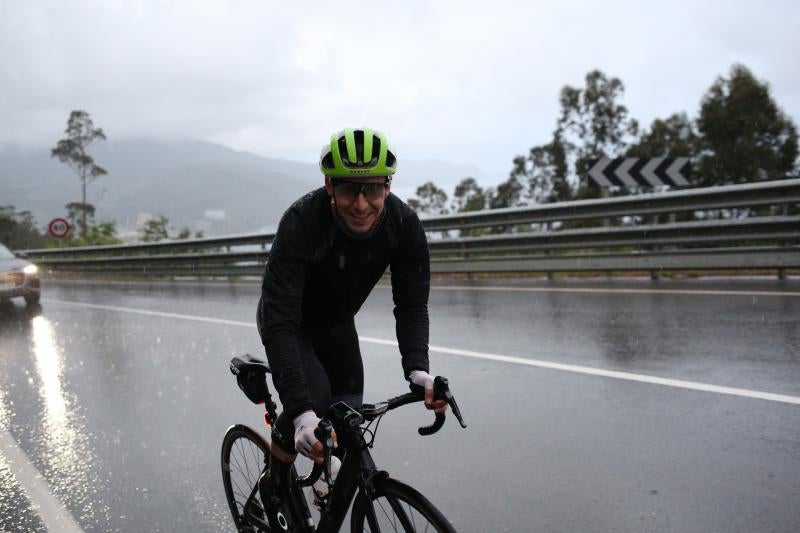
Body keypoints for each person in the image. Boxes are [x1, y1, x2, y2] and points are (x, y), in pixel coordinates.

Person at [256, 127, 446, 524]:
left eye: (372, 189)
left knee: (348, 424)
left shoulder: (403, 225)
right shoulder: (301, 222)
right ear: (329, 185)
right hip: (290, 326)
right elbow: (280, 322)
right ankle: (274, 480)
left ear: (388, 187)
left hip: (339, 327)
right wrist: (303, 411)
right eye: (348, 191)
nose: (361, 204)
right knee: (312, 408)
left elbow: (411, 305)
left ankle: (329, 490)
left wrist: (418, 370)